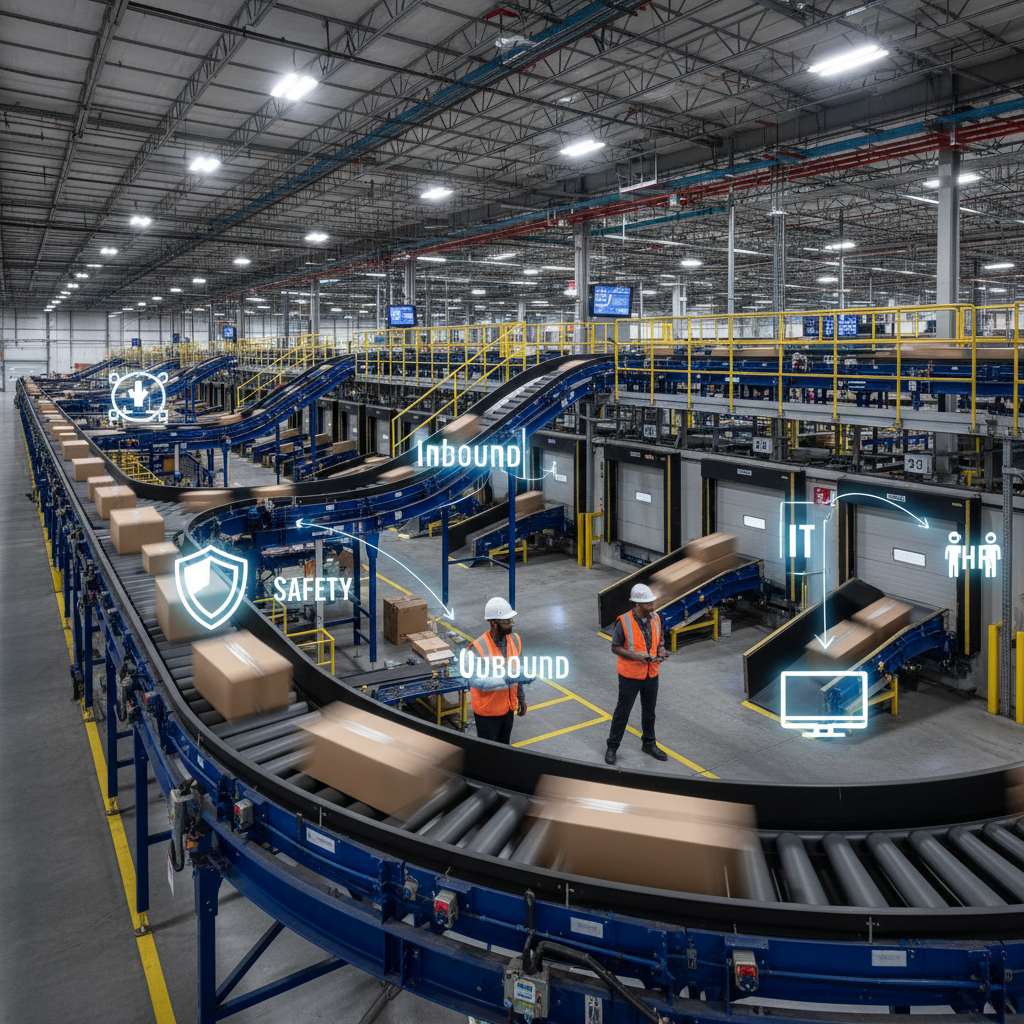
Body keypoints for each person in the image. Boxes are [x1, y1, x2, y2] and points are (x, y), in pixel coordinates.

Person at [605, 583, 668, 764]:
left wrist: (661, 652)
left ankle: (649, 743)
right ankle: (612, 747)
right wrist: (636, 656)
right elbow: (615, 647)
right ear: (638, 604)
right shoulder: (624, 621)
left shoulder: (656, 617)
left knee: (649, 713)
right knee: (622, 713)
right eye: (648, 603)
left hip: (651, 674)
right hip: (630, 676)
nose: (652, 605)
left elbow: (660, 639)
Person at [469, 596, 528, 744]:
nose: (511, 625)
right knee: (488, 752)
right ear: (494, 623)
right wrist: (505, 679)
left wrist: (521, 698)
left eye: (511, 620)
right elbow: (475, 682)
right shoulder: (478, 648)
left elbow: (518, 672)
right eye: (507, 622)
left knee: (503, 749)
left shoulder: (515, 640)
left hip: (508, 708)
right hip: (487, 713)